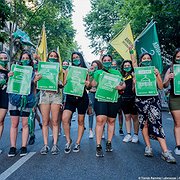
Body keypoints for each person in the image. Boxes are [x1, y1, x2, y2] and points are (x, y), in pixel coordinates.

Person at [132, 51, 176, 163]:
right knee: (144, 123)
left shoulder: (154, 70)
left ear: (150, 60)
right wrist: (135, 82)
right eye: (144, 58)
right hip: (140, 101)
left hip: (153, 101)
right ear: (141, 61)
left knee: (157, 123)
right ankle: (148, 147)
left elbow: (161, 87)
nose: (146, 60)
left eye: (148, 58)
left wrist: (157, 75)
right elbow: (134, 90)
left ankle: (165, 151)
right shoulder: (137, 72)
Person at [91, 55, 126, 157]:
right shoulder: (98, 72)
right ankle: (98, 145)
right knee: (100, 120)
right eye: (105, 60)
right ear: (102, 62)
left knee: (111, 121)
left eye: (109, 60)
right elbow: (93, 84)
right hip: (101, 98)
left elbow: (123, 84)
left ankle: (109, 142)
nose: (107, 62)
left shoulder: (117, 72)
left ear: (111, 62)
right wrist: (91, 75)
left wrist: (121, 86)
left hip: (113, 99)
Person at [8, 51, 40, 157]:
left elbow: (35, 89)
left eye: (27, 58)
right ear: (20, 59)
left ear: (30, 60)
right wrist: (9, 76)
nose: (25, 60)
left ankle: (23, 146)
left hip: (27, 100)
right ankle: (12, 147)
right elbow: (10, 85)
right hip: (14, 99)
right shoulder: (14, 70)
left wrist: (35, 81)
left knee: (25, 124)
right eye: (23, 58)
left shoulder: (33, 73)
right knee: (14, 124)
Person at [62, 52, 89, 153]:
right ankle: (68, 141)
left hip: (82, 98)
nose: (75, 59)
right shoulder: (69, 70)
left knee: (80, 121)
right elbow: (65, 84)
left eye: (77, 57)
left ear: (81, 58)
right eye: (73, 58)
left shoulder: (85, 71)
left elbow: (89, 86)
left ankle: (77, 143)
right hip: (70, 97)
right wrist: (65, 74)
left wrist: (87, 84)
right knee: (65, 119)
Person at [38, 50, 63, 155]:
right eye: (51, 56)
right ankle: (45, 145)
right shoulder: (42, 68)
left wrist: (58, 82)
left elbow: (63, 84)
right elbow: (36, 82)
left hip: (56, 96)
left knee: (55, 121)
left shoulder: (60, 70)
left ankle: (55, 145)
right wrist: (37, 78)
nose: (53, 57)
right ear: (48, 57)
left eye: (55, 56)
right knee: (45, 121)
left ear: (57, 58)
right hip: (44, 96)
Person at [163, 48, 180, 155]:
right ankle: (178, 146)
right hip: (175, 98)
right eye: (178, 57)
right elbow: (164, 85)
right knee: (178, 123)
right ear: (174, 58)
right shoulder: (171, 69)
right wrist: (169, 78)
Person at [120, 60, 139, 143]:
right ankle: (128, 134)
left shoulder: (134, 74)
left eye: (128, 65)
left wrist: (134, 83)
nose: (127, 67)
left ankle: (135, 135)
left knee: (134, 117)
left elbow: (134, 89)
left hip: (133, 98)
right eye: (125, 65)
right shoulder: (121, 76)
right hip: (124, 98)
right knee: (127, 117)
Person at [87, 60, 103, 138]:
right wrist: (90, 74)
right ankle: (90, 130)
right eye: (93, 66)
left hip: (100, 94)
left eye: (96, 66)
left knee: (100, 113)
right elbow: (88, 86)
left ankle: (101, 130)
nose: (94, 67)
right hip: (91, 94)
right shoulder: (89, 74)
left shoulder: (101, 73)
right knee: (91, 112)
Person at [111, 60, 124, 135]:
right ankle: (112, 130)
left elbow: (122, 82)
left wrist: (121, 84)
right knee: (111, 114)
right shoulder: (108, 72)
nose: (113, 65)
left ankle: (120, 128)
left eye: (114, 64)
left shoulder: (119, 73)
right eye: (112, 64)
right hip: (110, 95)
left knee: (120, 112)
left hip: (118, 95)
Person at [0, 51, 9, 154]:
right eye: (1, 58)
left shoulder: (9, 71)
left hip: (4, 97)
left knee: (1, 121)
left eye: (5, 58)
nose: (3, 60)